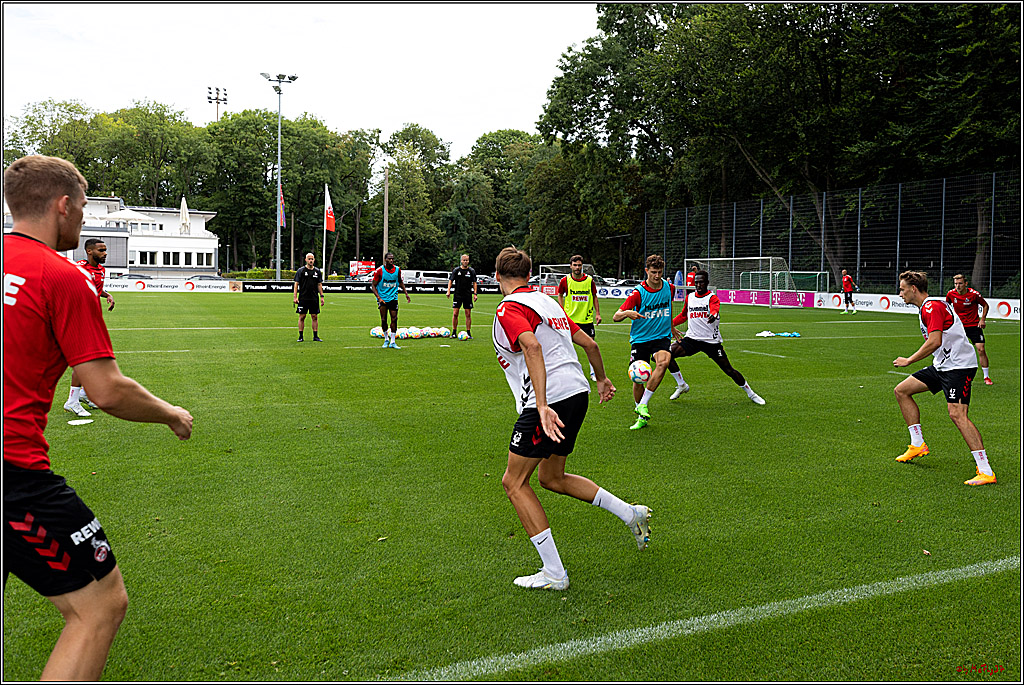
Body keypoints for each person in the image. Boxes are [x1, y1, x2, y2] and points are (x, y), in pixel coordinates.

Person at [3, 155, 194, 681]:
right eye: (83, 207)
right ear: (63, 205)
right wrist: (170, 413)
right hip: (12, 471)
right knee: (99, 606)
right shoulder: (61, 277)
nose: (83, 218)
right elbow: (106, 390)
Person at [492, 246, 651, 591]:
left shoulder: (509, 306)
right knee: (552, 477)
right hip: (577, 394)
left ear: (496, 276)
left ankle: (554, 573)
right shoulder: (549, 302)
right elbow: (589, 344)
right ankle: (630, 513)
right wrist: (602, 379)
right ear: (530, 275)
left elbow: (531, 347)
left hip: (549, 402)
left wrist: (543, 404)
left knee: (514, 483)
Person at [892, 270, 995, 486]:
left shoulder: (931, 306)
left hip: (958, 367)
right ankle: (917, 443)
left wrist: (909, 360)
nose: (899, 293)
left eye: (902, 289)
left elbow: (935, 341)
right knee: (902, 390)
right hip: (943, 366)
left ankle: (985, 470)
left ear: (913, 289)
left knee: (957, 414)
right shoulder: (927, 307)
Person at [611, 254, 689, 431]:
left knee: (663, 363)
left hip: (661, 337)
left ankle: (643, 404)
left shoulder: (669, 288)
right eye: (653, 272)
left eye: (660, 272)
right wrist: (627, 314)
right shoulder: (638, 293)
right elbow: (616, 316)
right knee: (638, 379)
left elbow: (668, 309)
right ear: (646, 271)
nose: (656, 276)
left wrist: (671, 328)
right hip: (640, 339)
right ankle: (641, 416)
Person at [669, 270, 766, 405]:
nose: (698, 285)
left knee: (729, 370)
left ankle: (751, 394)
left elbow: (715, 308)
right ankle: (682, 385)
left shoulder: (712, 298)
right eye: (696, 282)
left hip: (711, 342)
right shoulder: (689, 297)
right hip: (692, 339)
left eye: (701, 282)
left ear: (707, 283)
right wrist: (669, 324)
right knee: (666, 355)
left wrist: (713, 314)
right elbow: (684, 316)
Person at [64, 238, 116, 417]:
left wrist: (107, 295)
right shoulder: (78, 268)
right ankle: (72, 401)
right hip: (79, 318)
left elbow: (95, 288)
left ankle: (85, 394)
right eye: (101, 250)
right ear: (89, 251)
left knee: (95, 357)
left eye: (105, 250)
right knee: (83, 361)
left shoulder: (101, 269)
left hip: (93, 318)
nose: (105, 253)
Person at [556, 255, 602, 381]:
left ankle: (594, 373)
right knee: (567, 347)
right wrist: (562, 310)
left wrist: (597, 313)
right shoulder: (565, 280)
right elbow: (560, 295)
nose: (577, 267)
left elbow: (594, 296)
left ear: (582, 266)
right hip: (571, 320)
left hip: (586, 319)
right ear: (570, 266)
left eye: (579, 265)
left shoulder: (589, 280)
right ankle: (568, 373)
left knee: (591, 346)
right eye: (575, 265)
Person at [947, 273, 993, 385]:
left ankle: (986, 377)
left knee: (981, 349)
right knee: (954, 350)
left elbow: (985, 305)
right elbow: (946, 307)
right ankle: (951, 373)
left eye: (960, 283)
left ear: (966, 284)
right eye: (956, 283)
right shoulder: (951, 294)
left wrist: (982, 319)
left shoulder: (974, 294)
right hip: (958, 326)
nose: (958, 286)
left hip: (973, 326)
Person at [370, 251, 411, 349]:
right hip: (383, 299)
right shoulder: (379, 271)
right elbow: (373, 286)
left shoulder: (397, 270)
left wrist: (406, 293)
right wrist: (379, 298)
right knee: (384, 319)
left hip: (393, 298)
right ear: (385, 260)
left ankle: (393, 341)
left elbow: (400, 282)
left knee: (394, 318)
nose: (391, 260)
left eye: (392, 258)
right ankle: (386, 339)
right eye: (389, 258)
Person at [292, 252, 324, 342]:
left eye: (312, 259)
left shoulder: (317, 272)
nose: (310, 260)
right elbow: (296, 284)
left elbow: (319, 284)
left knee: (314, 316)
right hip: (303, 297)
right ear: (306, 260)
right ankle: (301, 336)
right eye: (309, 259)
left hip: (314, 298)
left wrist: (322, 296)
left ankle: (315, 336)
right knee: (302, 316)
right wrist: (295, 297)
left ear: (314, 260)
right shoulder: (301, 271)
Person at [446, 253, 477, 338]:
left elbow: (474, 283)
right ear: (461, 261)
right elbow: (450, 281)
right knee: (455, 313)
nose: (465, 262)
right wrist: (448, 291)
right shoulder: (456, 270)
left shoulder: (471, 271)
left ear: (468, 261)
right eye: (464, 260)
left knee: (468, 314)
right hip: (457, 294)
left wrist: (475, 294)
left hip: (467, 295)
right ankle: (454, 332)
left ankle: (468, 332)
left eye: (467, 260)